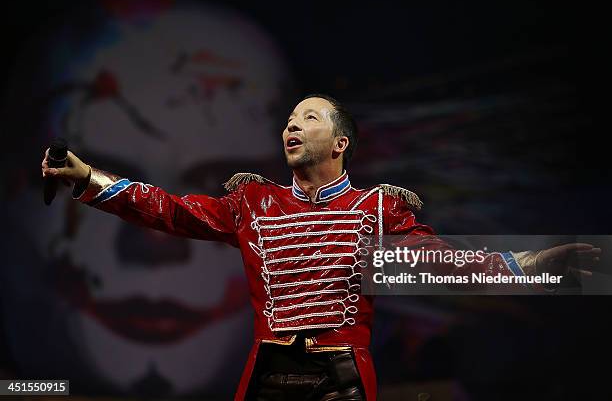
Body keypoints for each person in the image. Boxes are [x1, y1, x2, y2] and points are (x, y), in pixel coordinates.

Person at [42, 94, 600, 400]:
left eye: (307, 118)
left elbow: (441, 260)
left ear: (340, 143)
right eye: (288, 120)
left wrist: (530, 265)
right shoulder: (253, 202)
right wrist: (88, 176)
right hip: (266, 374)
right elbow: (169, 209)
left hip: (343, 379)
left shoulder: (376, 208)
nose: (291, 126)